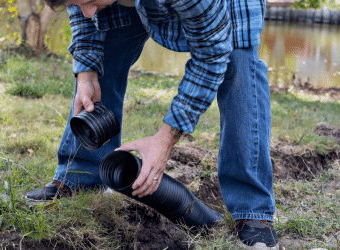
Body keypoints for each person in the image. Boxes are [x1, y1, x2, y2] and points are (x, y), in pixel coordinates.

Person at [25, 0, 278, 248]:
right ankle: (81, 176)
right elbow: (84, 12)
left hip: (221, 6)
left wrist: (165, 138)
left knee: (238, 61)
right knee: (106, 39)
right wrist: (87, 71)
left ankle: (252, 210)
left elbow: (213, 53)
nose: (86, 9)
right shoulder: (86, 4)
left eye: (90, 0)